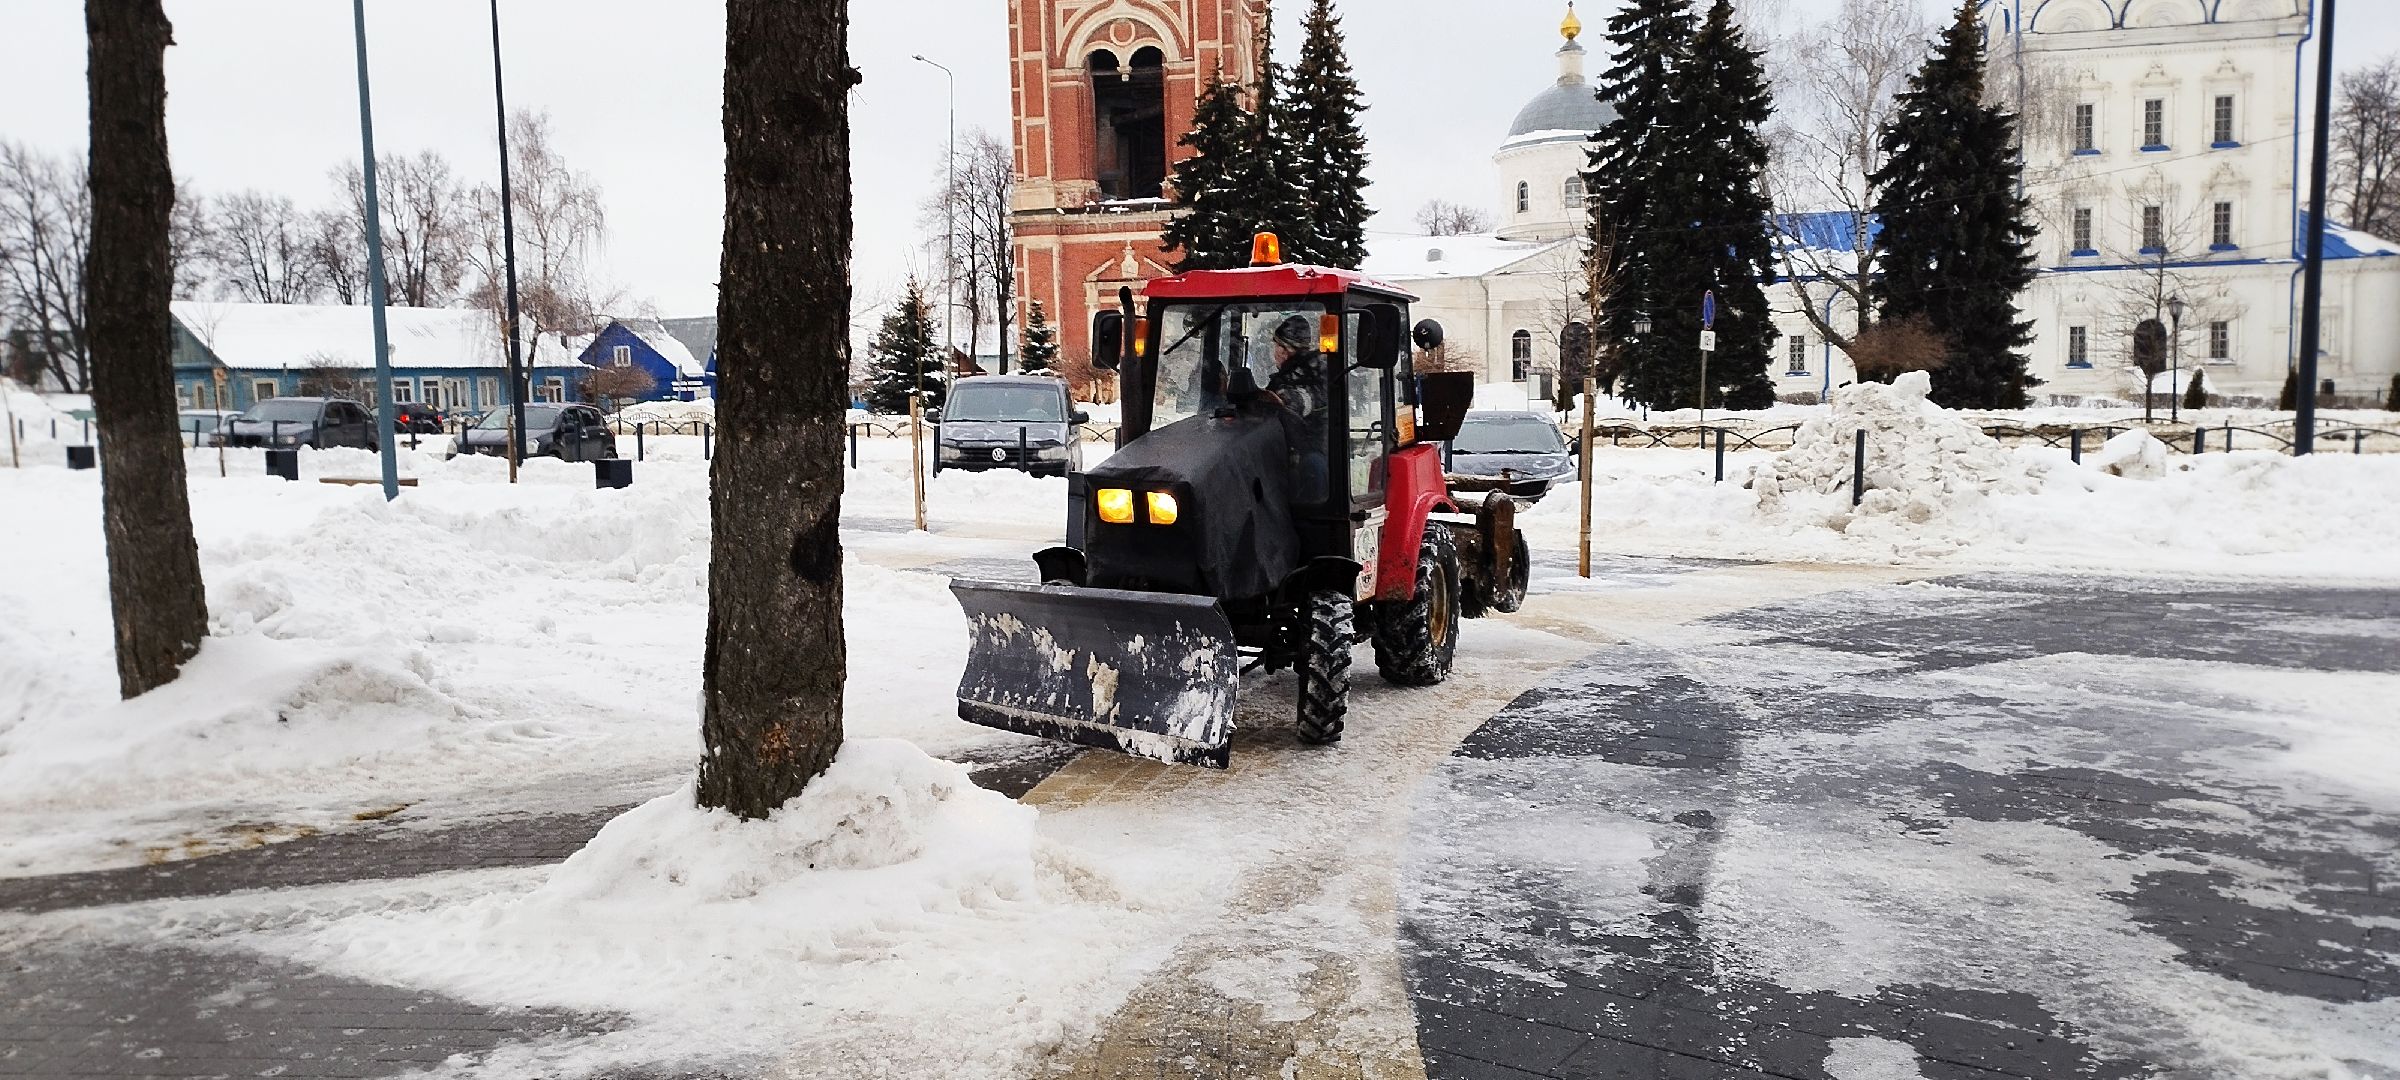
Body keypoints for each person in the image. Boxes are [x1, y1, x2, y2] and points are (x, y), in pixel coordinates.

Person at [1264, 314, 1327, 418]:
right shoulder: (1288, 374)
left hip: (1307, 432)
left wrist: (1285, 399)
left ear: (1285, 350)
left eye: (1277, 346)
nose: (1275, 352)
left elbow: (1307, 398)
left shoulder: (1312, 373)